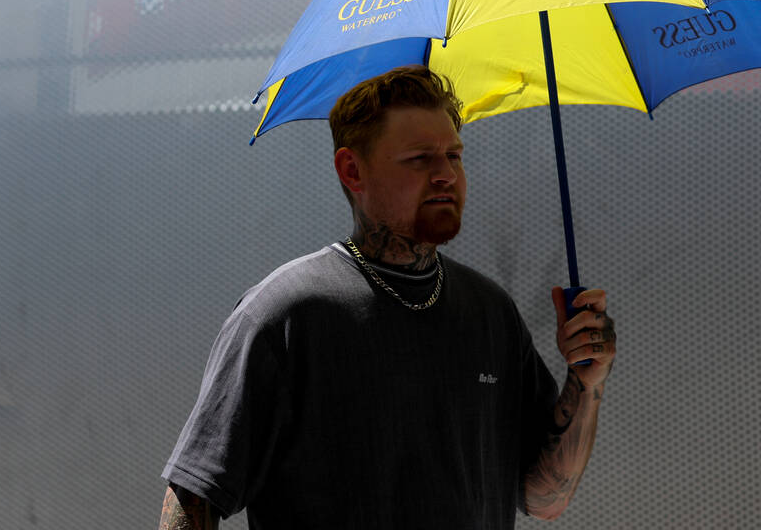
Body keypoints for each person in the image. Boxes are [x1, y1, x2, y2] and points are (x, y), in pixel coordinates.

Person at [158, 65, 616, 529]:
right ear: (352, 170)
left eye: (454, 156)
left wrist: (587, 383)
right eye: (420, 159)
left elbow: (543, 496)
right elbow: (193, 496)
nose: (446, 176)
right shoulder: (286, 314)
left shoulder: (491, 312)